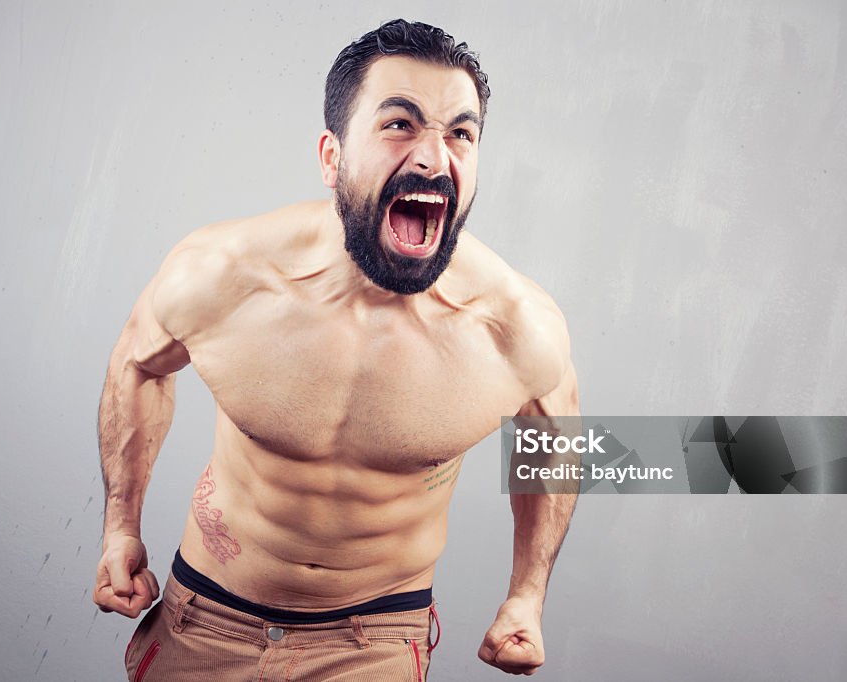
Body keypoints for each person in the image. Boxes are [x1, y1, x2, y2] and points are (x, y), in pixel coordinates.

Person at [94, 18, 579, 681]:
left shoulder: (514, 327)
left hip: (372, 639)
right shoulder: (223, 275)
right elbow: (138, 363)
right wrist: (121, 527)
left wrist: (527, 596)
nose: (435, 159)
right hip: (202, 619)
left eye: (461, 134)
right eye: (400, 124)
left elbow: (553, 445)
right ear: (331, 156)